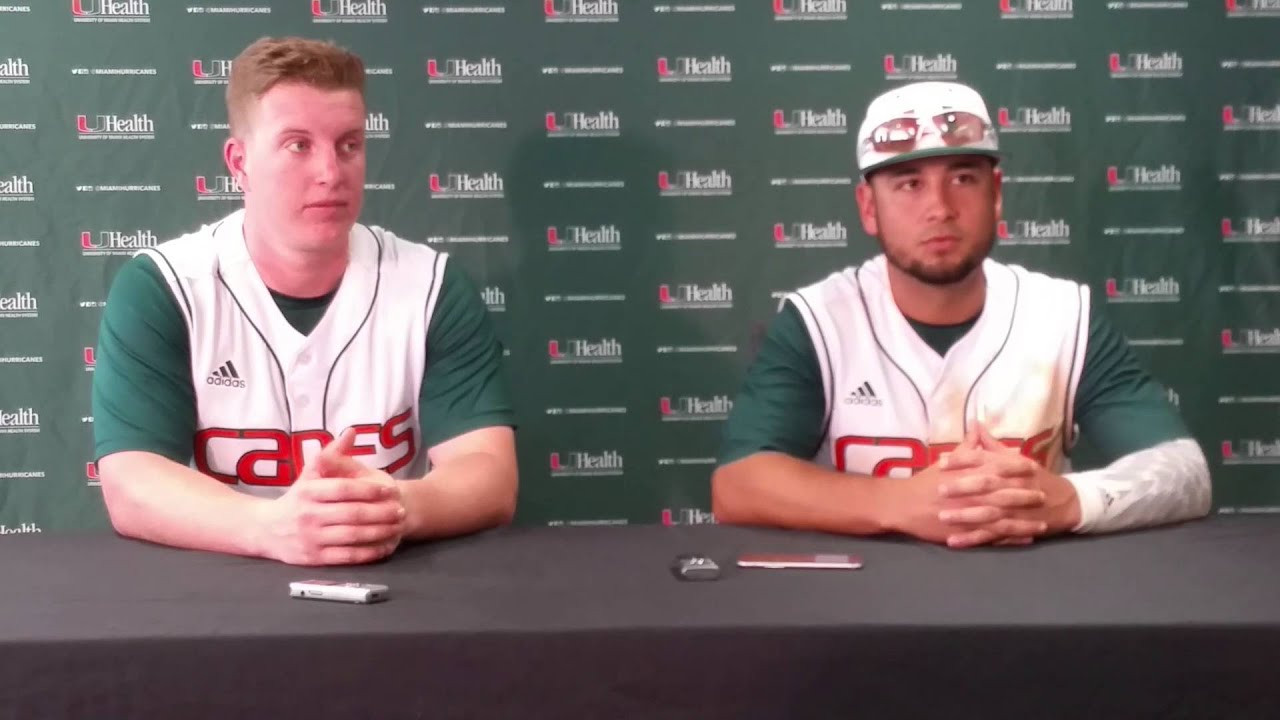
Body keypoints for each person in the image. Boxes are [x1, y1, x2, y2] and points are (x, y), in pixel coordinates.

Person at [711, 81, 1210, 548]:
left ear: (996, 195)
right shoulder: (819, 320)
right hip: (863, 612)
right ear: (868, 207)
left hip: (1028, 607)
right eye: (909, 184)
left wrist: (1069, 501)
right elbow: (737, 486)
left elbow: (1186, 472)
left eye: (963, 178)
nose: (940, 208)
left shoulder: (1061, 315)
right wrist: (898, 502)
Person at [92, 37, 517, 565]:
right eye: (298, 145)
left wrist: (399, 505)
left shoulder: (430, 284)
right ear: (239, 162)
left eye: (348, 145)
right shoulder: (163, 286)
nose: (330, 173)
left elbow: (489, 470)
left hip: (397, 589)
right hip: (221, 598)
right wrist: (271, 528)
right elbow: (131, 480)